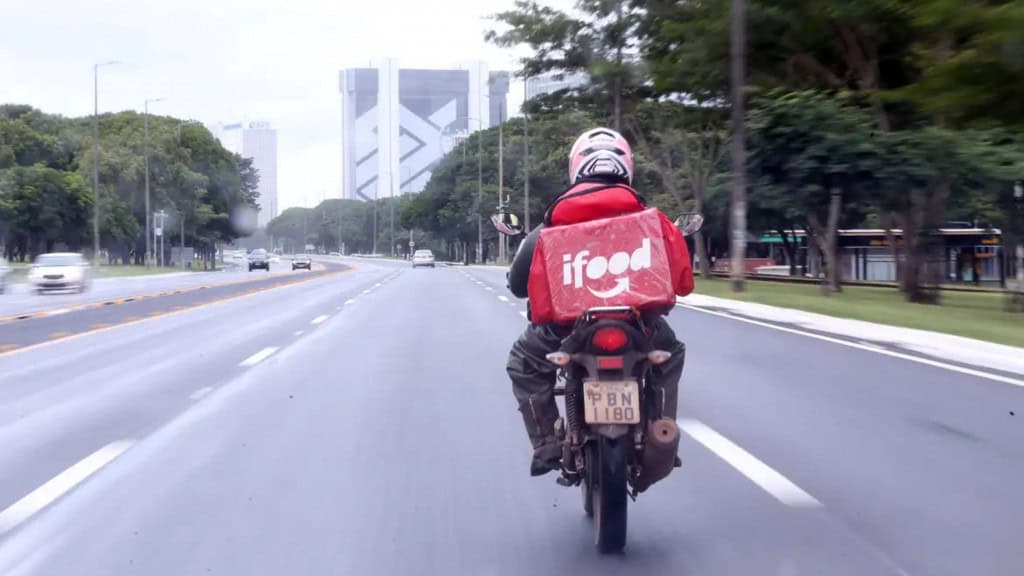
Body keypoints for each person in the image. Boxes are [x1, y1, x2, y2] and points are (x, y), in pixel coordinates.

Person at [505, 127, 693, 476]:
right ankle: (661, 432)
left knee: (524, 362)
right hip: (639, 326)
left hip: (566, 329)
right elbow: (683, 283)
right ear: (628, 168)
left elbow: (518, 286)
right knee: (671, 355)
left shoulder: (548, 227)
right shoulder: (653, 222)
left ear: (576, 168)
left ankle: (547, 443)